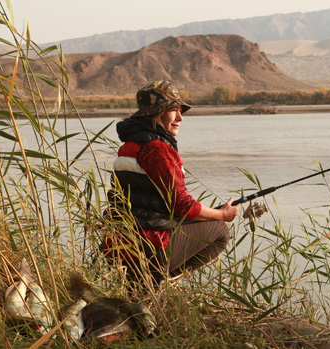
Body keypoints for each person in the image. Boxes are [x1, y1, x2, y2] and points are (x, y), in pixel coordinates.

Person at [102, 80, 241, 285]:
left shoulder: (129, 146)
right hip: (150, 246)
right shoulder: (158, 150)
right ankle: (158, 281)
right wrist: (221, 214)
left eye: (180, 111)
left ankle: (141, 285)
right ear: (155, 114)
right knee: (220, 231)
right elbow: (181, 204)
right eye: (173, 110)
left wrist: (203, 215)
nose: (180, 118)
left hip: (121, 244)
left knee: (204, 221)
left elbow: (155, 204)